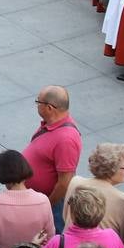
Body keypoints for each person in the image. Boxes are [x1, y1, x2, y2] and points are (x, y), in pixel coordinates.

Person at [22, 85, 82, 231]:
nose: (37, 105)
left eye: (38, 102)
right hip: (37, 199)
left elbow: (64, 182)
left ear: (49, 108)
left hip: (51, 206)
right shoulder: (52, 124)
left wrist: (47, 206)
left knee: (52, 239)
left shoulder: (66, 139)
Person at [66, 143, 124, 243]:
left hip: (68, 243)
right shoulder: (123, 200)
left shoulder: (75, 182)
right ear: (112, 169)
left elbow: (66, 217)